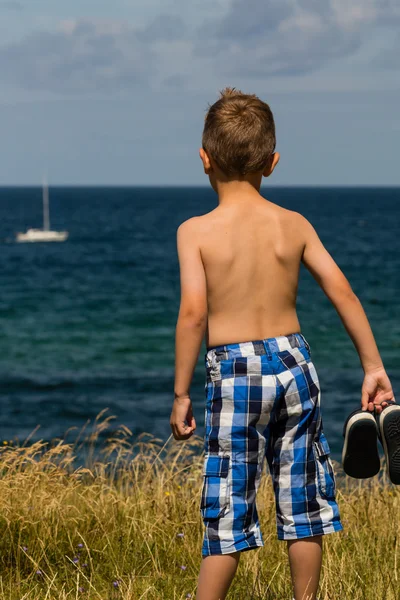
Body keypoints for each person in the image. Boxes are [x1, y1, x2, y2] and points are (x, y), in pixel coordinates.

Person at [169, 88, 396, 600]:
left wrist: (182, 392)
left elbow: (193, 314)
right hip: (296, 363)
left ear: (204, 159)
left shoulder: (195, 231)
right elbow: (342, 291)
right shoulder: (292, 224)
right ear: (272, 163)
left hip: (235, 373)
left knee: (227, 504)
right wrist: (373, 365)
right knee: (303, 500)